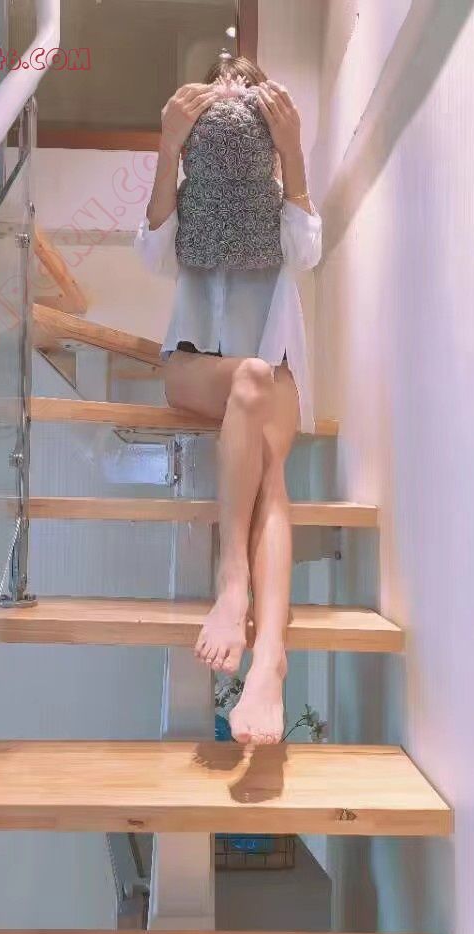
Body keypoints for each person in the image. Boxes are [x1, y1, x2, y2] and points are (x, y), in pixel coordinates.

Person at [134, 55, 322, 746]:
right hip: (194, 367)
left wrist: (292, 150)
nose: (230, 86)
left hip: (273, 372)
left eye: (241, 79)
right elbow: (153, 254)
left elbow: (305, 251)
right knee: (246, 386)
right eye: (220, 79)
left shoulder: (275, 196)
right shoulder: (191, 197)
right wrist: (169, 145)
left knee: (260, 411)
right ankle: (243, 596)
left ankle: (266, 656)